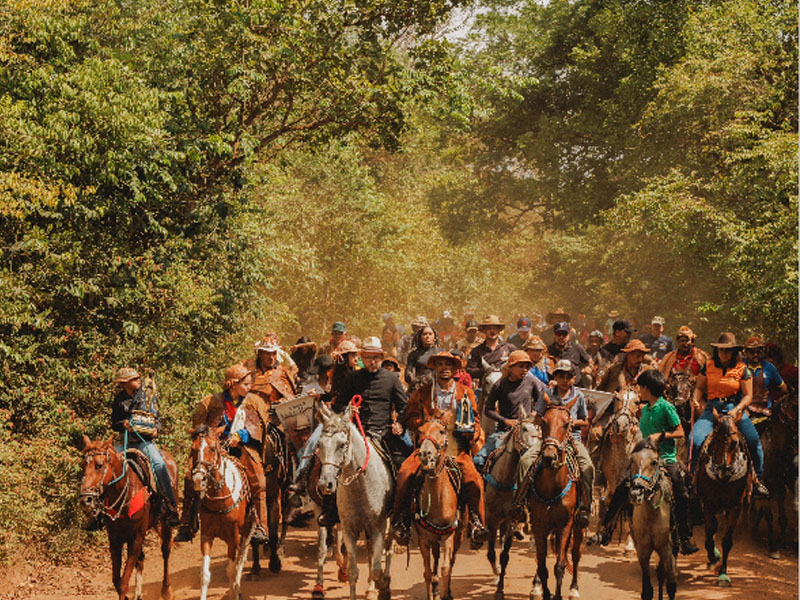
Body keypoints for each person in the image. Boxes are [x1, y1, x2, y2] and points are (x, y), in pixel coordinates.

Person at [589, 369, 699, 555]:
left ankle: (685, 536)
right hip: (645, 458)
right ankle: (605, 530)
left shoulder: (666, 407)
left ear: (647, 388)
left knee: (682, 493)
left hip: (665, 458)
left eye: (640, 387)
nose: (639, 391)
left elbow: (680, 431)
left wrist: (662, 435)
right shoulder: (645, 409)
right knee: (621, 489)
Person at [391, 351, 488, 547]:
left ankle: (477, 523)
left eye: (449, 365)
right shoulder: (423, 392)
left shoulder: (466, 392)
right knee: (404, 473)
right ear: (434, 368)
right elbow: (409, 418)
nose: (445, 368)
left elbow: (476, 420)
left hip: (456, 447)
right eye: (440, 364)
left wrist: (469, 429)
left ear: (455, 369)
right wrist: (428, 422)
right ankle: (401, 521)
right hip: (428, 446)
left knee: (474, 479)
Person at [175, 363, 269, 543]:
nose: (249, 388)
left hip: (243, 448)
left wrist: (240, 436)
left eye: (250, 384)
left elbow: (258, 427)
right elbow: (198, 429)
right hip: (214, 448)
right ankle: (187, 523)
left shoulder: (254, 402)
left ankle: (260, 526)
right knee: (190, 477)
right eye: (246, 384)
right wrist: (210, 439)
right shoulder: (210, 402)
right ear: (233, 384)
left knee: (258, 479)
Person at [323, 337, 409, 525]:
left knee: (405, 467)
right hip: (355, 435)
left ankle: (402, 516)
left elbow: (404, 406)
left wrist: (400, 423)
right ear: (363, 358)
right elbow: (338, 406)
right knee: (332, 463)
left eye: (376, 357)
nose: (372, 361)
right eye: (368, 357)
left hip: (383, 434)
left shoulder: (391, 378)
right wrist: (348, 411)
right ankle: (330, 512)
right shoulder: (353, 378)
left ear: (381, 357)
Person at [90, 368, 180, 532]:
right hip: (124, 441)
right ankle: (97, 514)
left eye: (138, 378)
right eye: (134, 379)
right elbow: (114, 423)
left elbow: (157, 418)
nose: (139, 380)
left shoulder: (148, 397)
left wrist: (156, 429)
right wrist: (122, 424)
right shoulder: (119, 400)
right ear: (125, 383)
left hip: (144, 442)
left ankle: (170, 506)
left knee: (159, 464)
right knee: (104, 464)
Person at [513, 360, 594, 526]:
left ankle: (585, 506)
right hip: (548, 439)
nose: (564, 380)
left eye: (568, 376)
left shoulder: (578, 396)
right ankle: (519, 503)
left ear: (573, 378)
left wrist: (571, 422)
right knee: (524, 461)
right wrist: (538, 419)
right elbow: (538, 415)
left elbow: (585, 421)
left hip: (572, 439)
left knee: (587, 467)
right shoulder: (547, 393)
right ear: (555, 377)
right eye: (560, 376)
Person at [689, 333, 769, 496]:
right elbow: (699, 388)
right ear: (716, 351)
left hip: (734, 408)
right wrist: (695, 399)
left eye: (728, 351)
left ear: (734, 352)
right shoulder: (708, 365)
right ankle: (691, 480)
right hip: (712, 408)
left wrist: (737, 409)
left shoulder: (742, 368)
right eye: (721, 350)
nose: (724, 354)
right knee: (694, 440)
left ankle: (758, 481)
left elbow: (748, 396)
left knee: (754, 441)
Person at [472, 350, 546, 470]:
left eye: (527, 367)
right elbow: (488, 409)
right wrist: (506, 421)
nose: (525, 369)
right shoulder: (499, 385)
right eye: (521, 366)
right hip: (504, 431)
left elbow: (541, 401)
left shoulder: (531, 382)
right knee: (479, 460)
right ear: (511, 367)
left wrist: (534, 414)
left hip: (526, 430)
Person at [658, 325, 708, 425]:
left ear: (692, 341)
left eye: (687, 340)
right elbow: (660, 375)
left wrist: (696, 381)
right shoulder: (669, 357)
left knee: (704, 414)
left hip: (695, 394)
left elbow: (709, 375)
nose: (684, 343)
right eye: (681, 340)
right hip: (673, 395)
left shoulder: (701, 356)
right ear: (677, 342)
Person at [743, 336, 787, 417]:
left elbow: (782, 386)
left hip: (765, 411)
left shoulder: (769, 367)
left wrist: (792, 391)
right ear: (746, 353)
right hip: (745, 411)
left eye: (758, 352)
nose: (755, 355)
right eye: (752, 352)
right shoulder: (740, 367)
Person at [466, 315, 517, 384]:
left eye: (495, 328)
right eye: (489, 328)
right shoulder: (477, 351)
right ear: (484, 330)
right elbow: (469, 370)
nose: (492, 331)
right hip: (485, 387)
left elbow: (520, 366)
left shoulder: (509, 348)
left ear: (499, 330)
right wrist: (484, 370)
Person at [405, 325, 443, 392]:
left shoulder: (441, 352)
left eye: (430, 334)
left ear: (434, 337)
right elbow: (408, 372)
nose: (428, 336)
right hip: (419, 388)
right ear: (420, 337)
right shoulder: (414, 354)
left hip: (438, 387)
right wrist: (415, 380)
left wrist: (432, 377)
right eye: (425, 334)